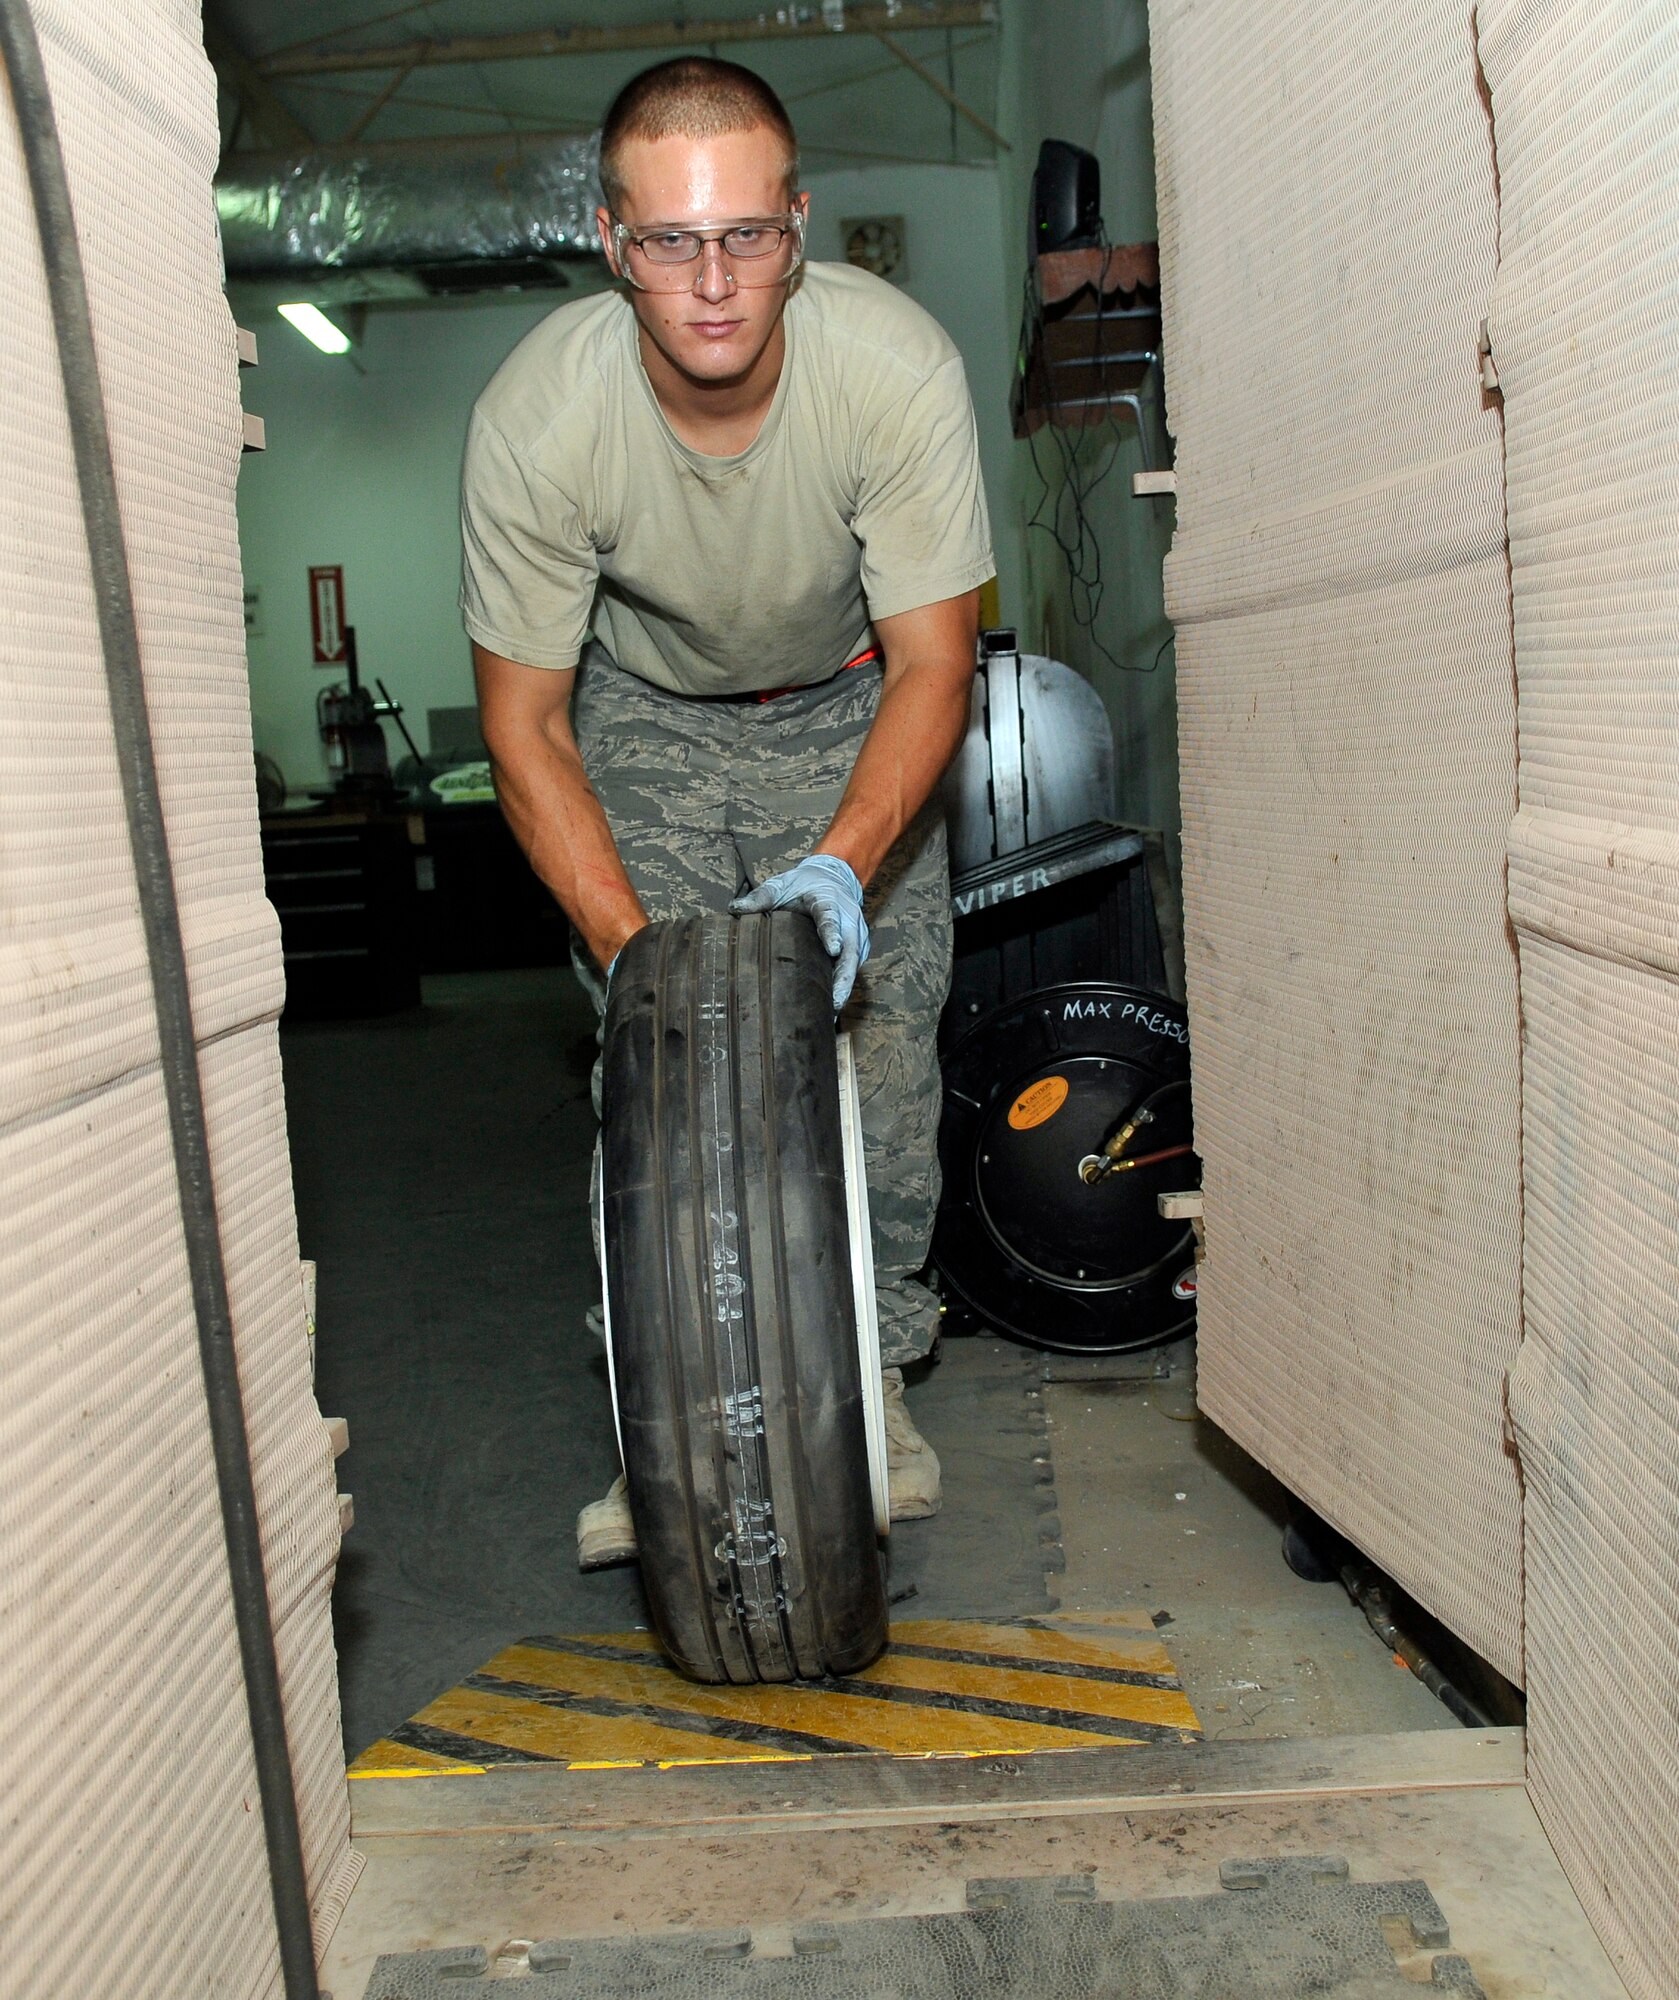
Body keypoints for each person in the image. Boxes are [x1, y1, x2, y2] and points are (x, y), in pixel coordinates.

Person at [462, 56, 994, 1569]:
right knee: (657, 1071)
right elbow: (525, 725)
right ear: (613, 241)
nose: (713, 282)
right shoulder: (540, 420)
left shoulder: (891, 370)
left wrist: (843, 861)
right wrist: (642, 961)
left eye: (749, 235)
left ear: (800, 227)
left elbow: (936, 660)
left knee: (884, 1050)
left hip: (852, 703)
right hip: (636, 717)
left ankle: (877, 1381)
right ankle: (664, 1422)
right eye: (672, 241)